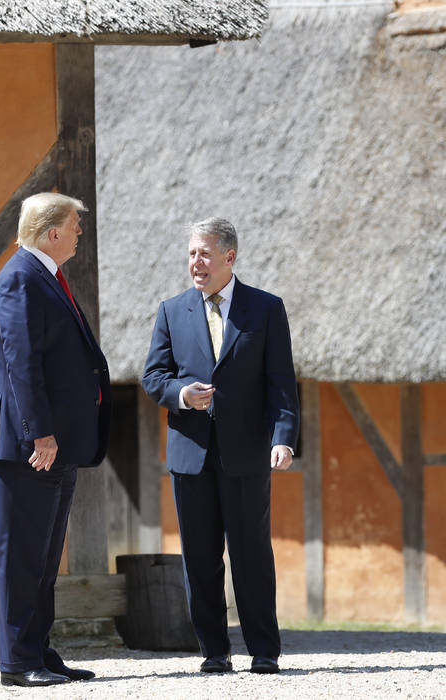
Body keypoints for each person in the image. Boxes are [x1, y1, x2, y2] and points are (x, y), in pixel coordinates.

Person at [142, 217, 299, 675]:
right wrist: (181, 395)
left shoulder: (265, 309)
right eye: (191, 253)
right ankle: (214, 651)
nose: (196, 262)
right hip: (190, 454)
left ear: (229, 257)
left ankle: (264, 650)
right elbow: (153, 377)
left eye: (204, 253)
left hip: (247, 453)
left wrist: (283, 438)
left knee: (251, 554)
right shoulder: (171, 311)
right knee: (200, 557)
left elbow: (281, 383)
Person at [0, 192, 111, 687]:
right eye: (75, 226)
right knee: (23, 554)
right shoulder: (19, 278)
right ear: (52, 231)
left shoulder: (45, 277)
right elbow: (21, 365)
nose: (80, 233)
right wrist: (43, 434)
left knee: (45, 554)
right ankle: (17, 662)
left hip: (54, 443)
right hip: (28, 444)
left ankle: (37, 648)